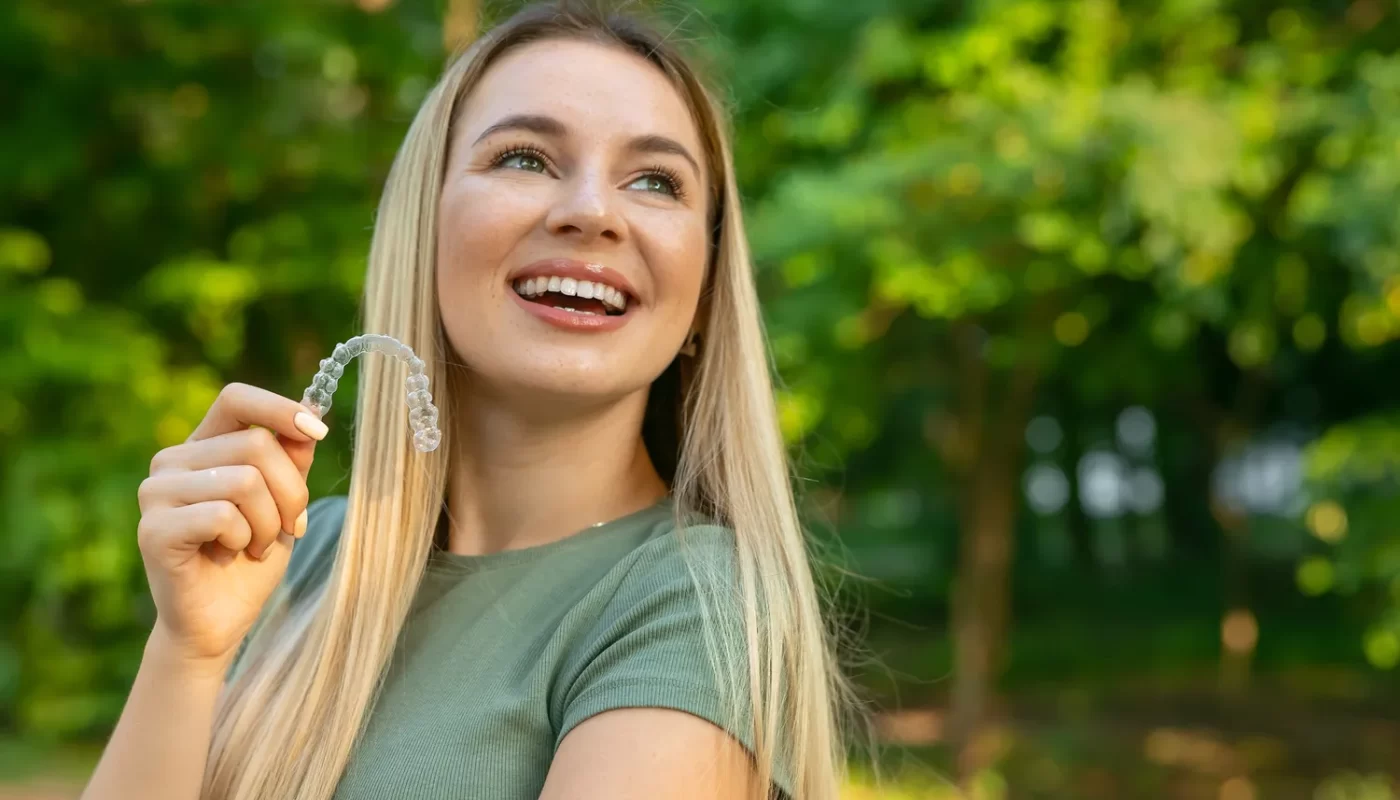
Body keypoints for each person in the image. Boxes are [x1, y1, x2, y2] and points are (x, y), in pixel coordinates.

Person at [82, 2, 857, 798]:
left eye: (655, 181)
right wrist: (188, 650)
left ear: (701, 299)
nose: (591, 211)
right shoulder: (298, 553)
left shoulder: (690, 603)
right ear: (425, 226)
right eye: (526, 158)